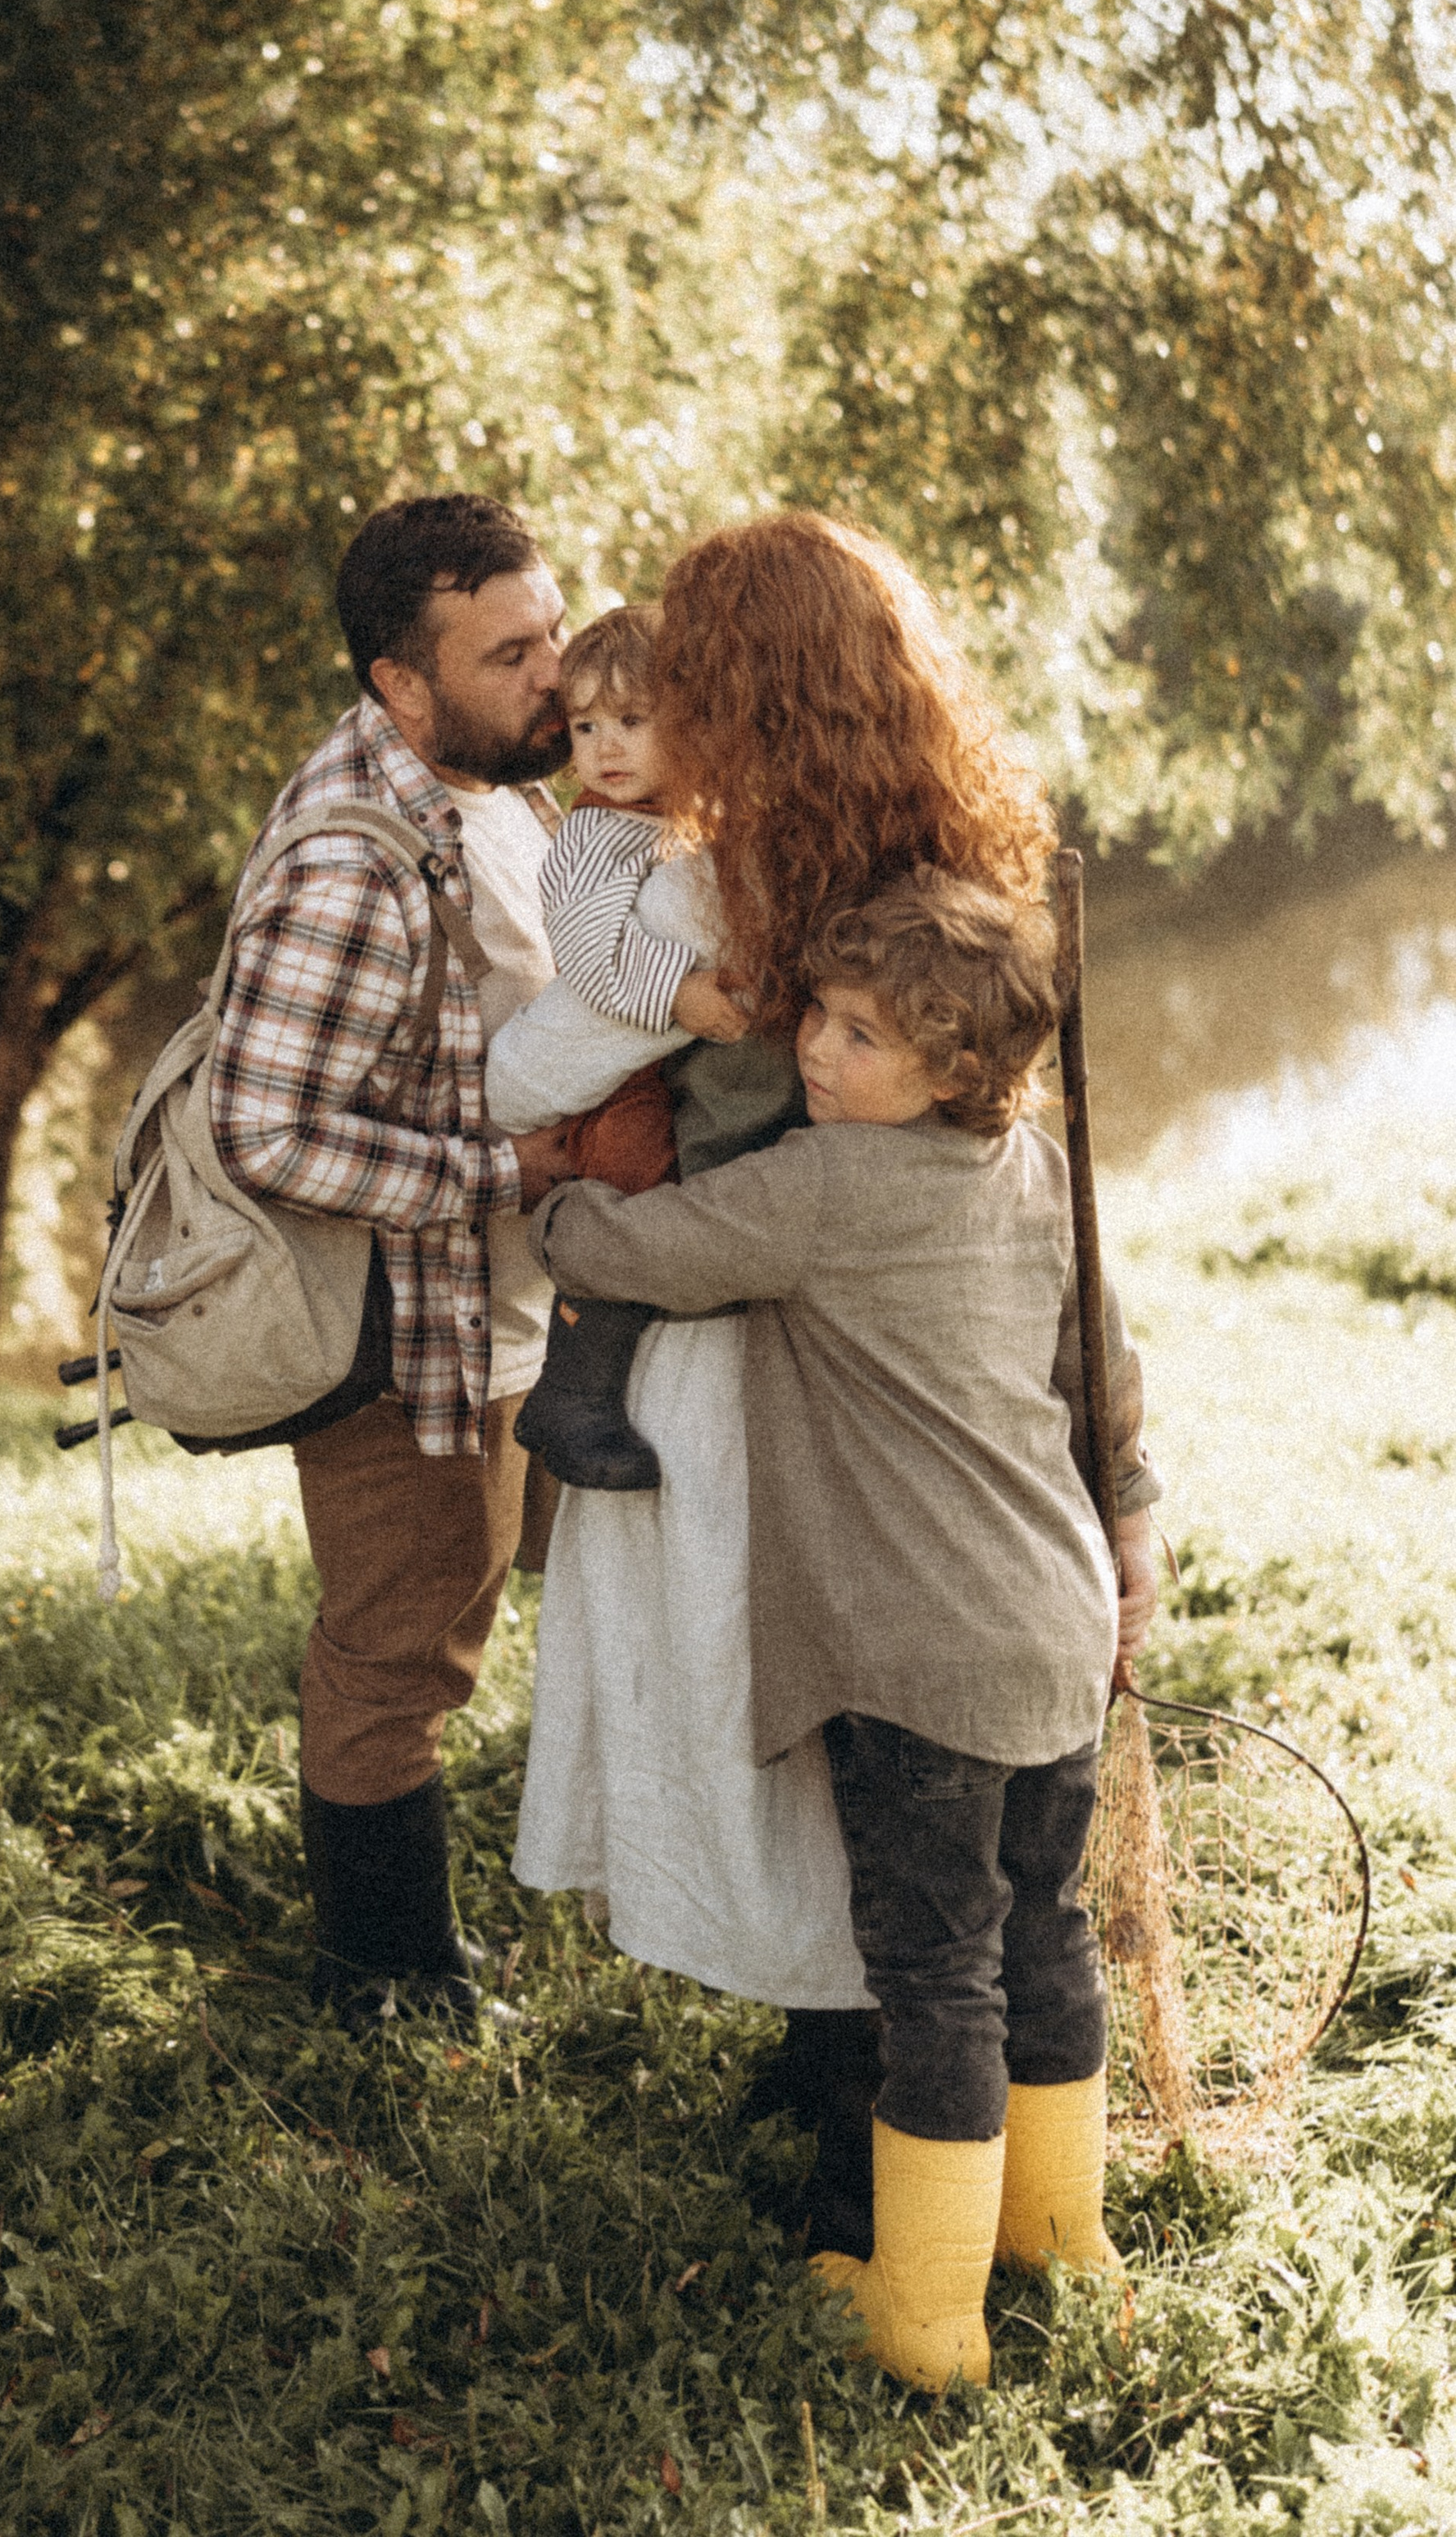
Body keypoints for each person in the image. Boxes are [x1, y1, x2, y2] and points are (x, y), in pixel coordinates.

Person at [499, 512, 1159, 2261]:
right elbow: (1058, 1235)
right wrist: (1120, 1492)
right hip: (894, 1348)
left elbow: (538, 1069)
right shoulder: (939, 862)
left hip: (780, 1344)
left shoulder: (735, 892)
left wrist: (533, 1155)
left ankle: (875, 2121)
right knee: (862, 1750)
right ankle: (856, 2070)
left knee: (822, 1722)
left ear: (756, 692)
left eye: (701, 679)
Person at [208, 492, 574, 2029]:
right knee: (393, 1659)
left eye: (554, 632)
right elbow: (260, 1129)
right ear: (401, 686)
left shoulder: (494, 790)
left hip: (517, 1313)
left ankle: (430, 1960)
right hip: (411, 1342)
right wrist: (500, 1176)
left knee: (491, 1619)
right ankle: (386, 1988)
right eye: (509, 655)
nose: (554, 674)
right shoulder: (354, 865)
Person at [511, 602, 753, 1495]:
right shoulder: (592, 834)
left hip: (663, 1058)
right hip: (614, 1071)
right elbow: (588, 952)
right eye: (584, 728)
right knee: (631, 1170)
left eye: (632, 721)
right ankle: (574, 1384)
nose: (605, 747)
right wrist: (683, 994)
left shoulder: (688, 818)